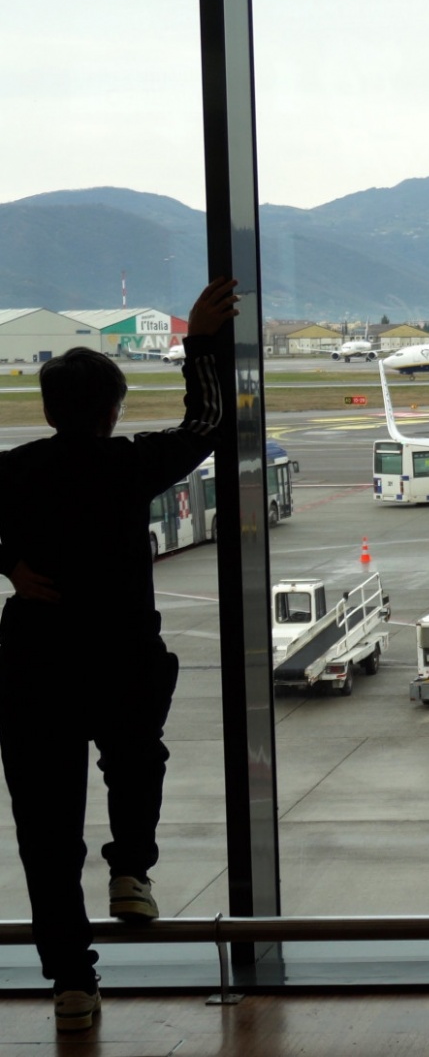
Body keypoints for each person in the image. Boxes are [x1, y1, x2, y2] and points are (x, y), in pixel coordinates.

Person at [0, 277, 237, 1032]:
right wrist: (200, 342)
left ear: (47, 410)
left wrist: (10, 566)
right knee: (137, 761)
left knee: (46, 833)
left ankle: (73, 984)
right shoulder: (129, 464)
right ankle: (131, 869)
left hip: (35, 661)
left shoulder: (15, 470)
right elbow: (207, 421)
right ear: (113, 411)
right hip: (122, 652)